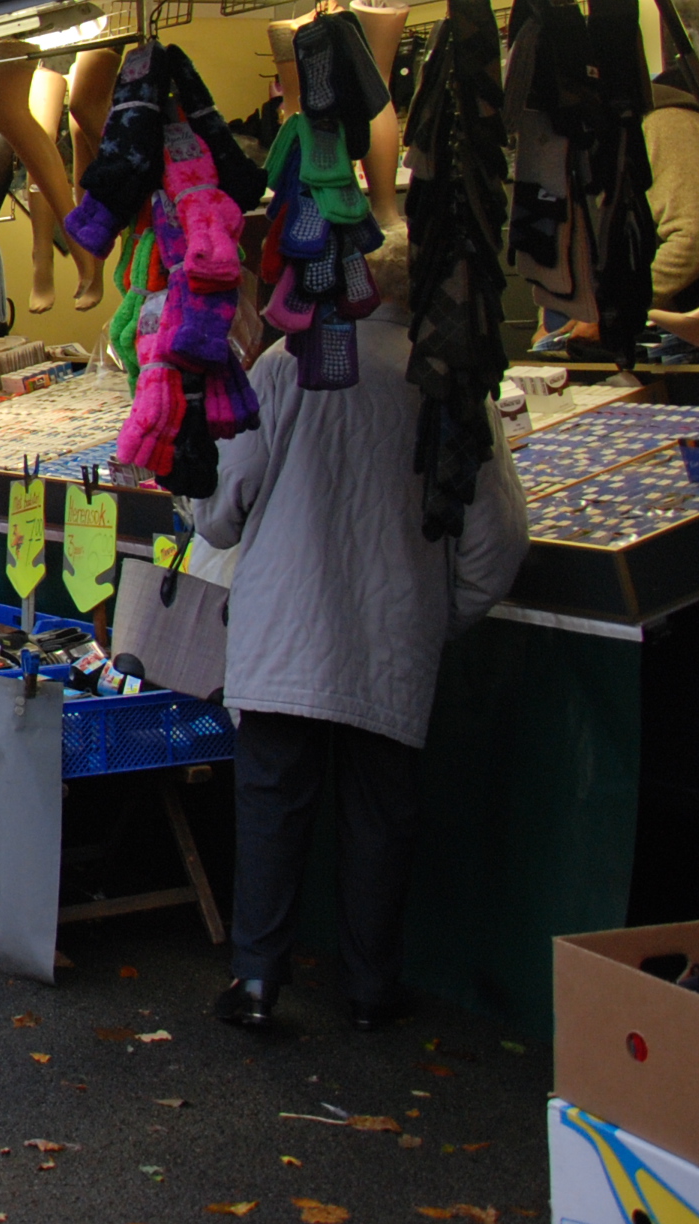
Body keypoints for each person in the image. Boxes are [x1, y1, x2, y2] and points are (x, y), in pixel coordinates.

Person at [195, 228, 528, 1035]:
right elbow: (499, 541)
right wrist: (437, 613)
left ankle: (256, 980)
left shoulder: (284, 367)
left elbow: (221, 508)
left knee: (272, 804)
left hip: (285, 630)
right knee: (380, 816)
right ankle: (372, 988)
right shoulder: (450, 382)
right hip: (392, 633)